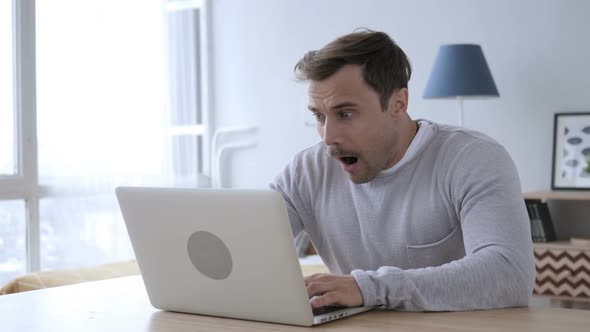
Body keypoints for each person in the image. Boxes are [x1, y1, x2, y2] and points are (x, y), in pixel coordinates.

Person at [270, 29, 535, 311]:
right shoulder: (306, 171)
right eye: (319, 116)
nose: (327, 136)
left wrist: (369, 288)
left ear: (398, 104)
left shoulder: (472, 158)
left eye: (345, 114)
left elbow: (509, 274)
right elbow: (246, 247)